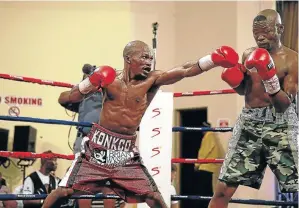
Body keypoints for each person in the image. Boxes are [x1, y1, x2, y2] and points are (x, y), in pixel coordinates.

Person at [42, 40, 240, 208]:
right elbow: (66, 98)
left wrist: (212, 60)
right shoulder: (109, 80)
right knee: (63, 191)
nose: (149, 62)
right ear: (129, 59)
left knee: (152, 196)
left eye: (150, 58)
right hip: (98, 147)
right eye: (143, 57)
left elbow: (185, 70)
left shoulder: (152, 80)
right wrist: (90, 81)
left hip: (125, 150)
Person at [208, 9, 298, 208]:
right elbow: (244, 91)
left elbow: (284, 104)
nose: (260, 37)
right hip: (249, 122)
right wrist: (233, 79)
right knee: (223, 188)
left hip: (280, 124)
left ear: (280, 29)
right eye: (256, 32)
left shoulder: (292, 60)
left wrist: (270, 78)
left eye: (265, 32)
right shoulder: (249, 54)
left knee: (296, 187)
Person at [59, 64, 125, 208]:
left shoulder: (110, 95)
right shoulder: (81, 97)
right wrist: (83, 88)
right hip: (85, 141)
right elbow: (62, 98)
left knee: (109, 185)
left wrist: (106, 82)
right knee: (84, 185)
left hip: (107, 141)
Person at [194, 122, 225, 193]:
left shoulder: (209, 135)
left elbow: (204, 152)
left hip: (206, 167)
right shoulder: (213, 136)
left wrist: (197, 164)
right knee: (207, 190)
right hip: (210, 167)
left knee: (204, 191)